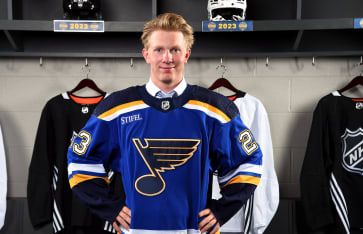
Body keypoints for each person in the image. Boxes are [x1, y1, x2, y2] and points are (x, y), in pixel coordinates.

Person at [67, 13, 262, 234]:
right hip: (136, 229)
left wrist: (222, 210)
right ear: (146, 54)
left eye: (175, 50)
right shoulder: (116, 108)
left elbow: (249, 162)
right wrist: (110, 207)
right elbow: (79, 160)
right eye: (159, 49)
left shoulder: (214, 109)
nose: (167, 58)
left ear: (186, 54)